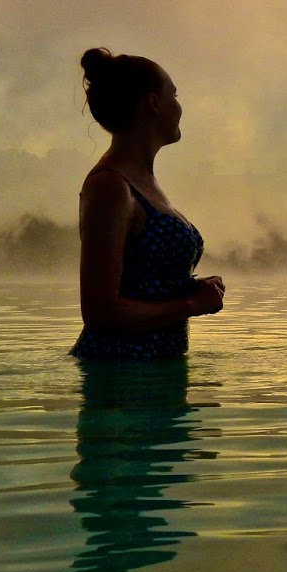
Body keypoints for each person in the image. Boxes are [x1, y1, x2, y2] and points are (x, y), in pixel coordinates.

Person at [71, 47, 225, 360]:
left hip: (153, 381)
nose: (180, 107)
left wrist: (192, 291)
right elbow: (101, 313)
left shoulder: (143, 183)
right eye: (175, 95)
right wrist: (192, 305)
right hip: (117, 383)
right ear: (153, 103)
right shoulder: (110, 187)